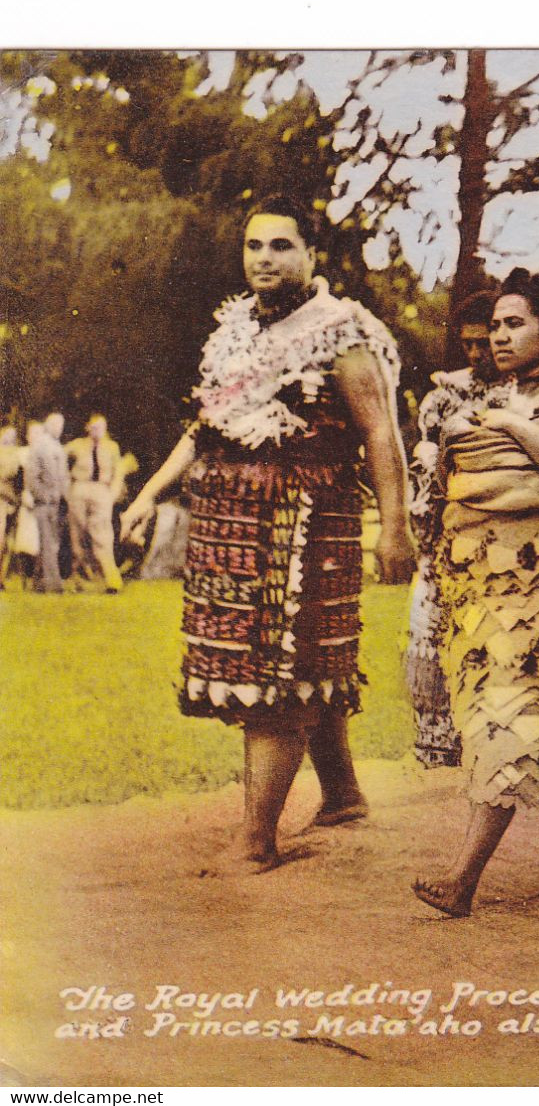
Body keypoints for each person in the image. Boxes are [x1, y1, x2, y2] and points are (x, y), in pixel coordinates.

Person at [120, 193, 413, 872]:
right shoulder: (235, 332)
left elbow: (379, 430)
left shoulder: (339, 330)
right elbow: (205, 428)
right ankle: (341, 794)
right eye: (254, 246)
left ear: (311, 255)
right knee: (292, 662)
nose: (264, 259)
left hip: (306, 517)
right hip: (231, 521)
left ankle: (256, 841)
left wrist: (393, 527)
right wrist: (148, 493)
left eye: (280, 246)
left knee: (283, 662)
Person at [410, 270, 539, 917]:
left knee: (509, 723)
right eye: (495, 326)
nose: (498, 336)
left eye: (514, 324)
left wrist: (512, 432)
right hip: (480, 584)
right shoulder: (480, 398)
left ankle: (462, 879)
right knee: (535, 727)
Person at [406, 288, 497, 772]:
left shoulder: (528, 390)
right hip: (447, 537)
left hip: (508, 545)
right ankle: (439, 768)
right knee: (430, 646)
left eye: (486, 340)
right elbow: (426, 476)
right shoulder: (443, 397)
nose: (480, 352)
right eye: (470, 344)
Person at [64, 414, 125, 593]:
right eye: (95, 427)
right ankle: (78, 579)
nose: (98, 431)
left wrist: (113, 492)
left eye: (102, 427)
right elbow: (58, 458)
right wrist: (67, 485)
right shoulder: (77, 445)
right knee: (78, 535)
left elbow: (118, 471)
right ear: (88, 427)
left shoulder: (112, 447)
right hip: (80, 489)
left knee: (103, 536)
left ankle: (112, 580)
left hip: (101, 490)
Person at [24, 414, 68, 593]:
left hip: (57, 502)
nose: (59, 428)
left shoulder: (58, 447)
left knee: (51, 542)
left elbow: (63, 476)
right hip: (44, 503)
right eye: (56, 424)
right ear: (48, 425)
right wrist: (42, 495)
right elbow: (31, 476)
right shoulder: (39, 446)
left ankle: (39, 583)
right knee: (48, 542)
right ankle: (53, 584)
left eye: (61, 425)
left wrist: (64, 496)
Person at [0, 425, 23, 586]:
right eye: (6, 434)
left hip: (11, 500)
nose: (9, 438)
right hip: (2, 499)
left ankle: (1, 577)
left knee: (7, 542)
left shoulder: (17, 454)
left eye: (12, 436)